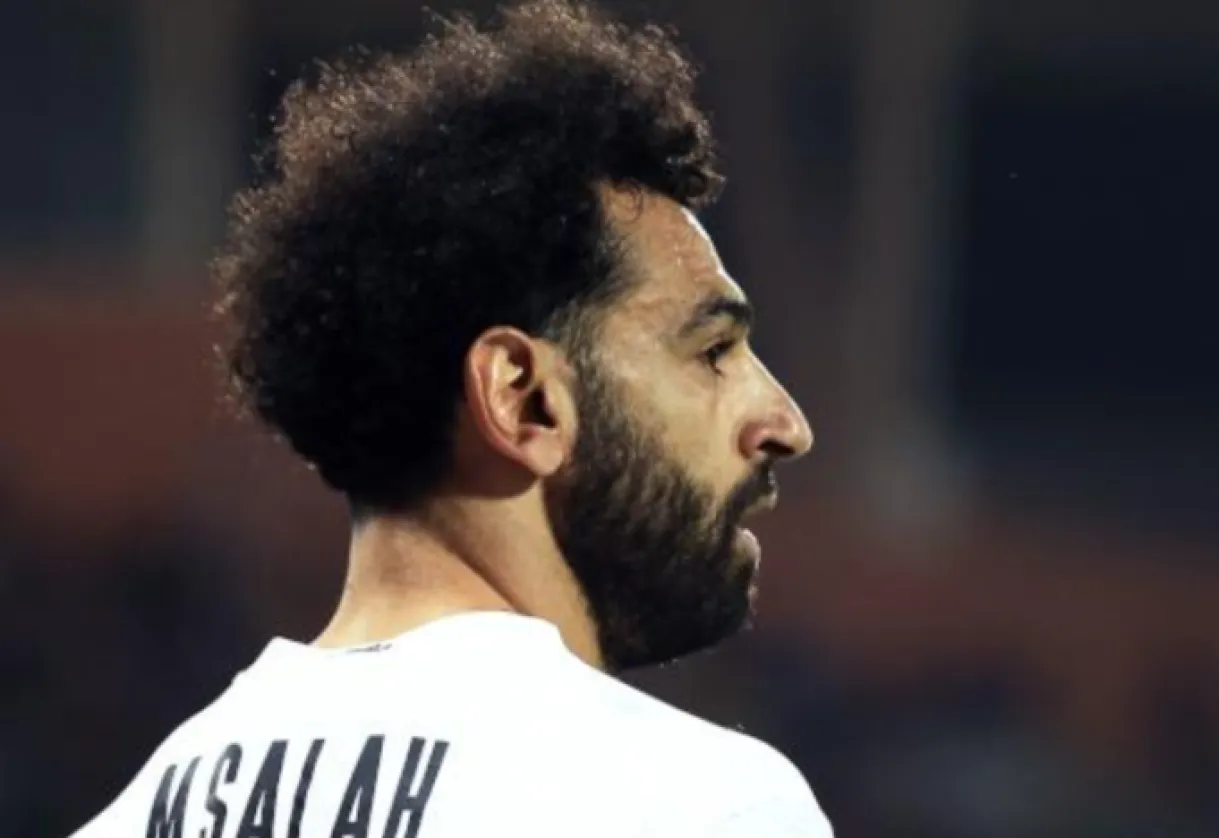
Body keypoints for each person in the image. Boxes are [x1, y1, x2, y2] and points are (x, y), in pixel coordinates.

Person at [70, 1, 828, 834]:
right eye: (712, 352)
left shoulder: (127, 817)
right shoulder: (703, 805)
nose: (785, 421)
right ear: (522, 397)